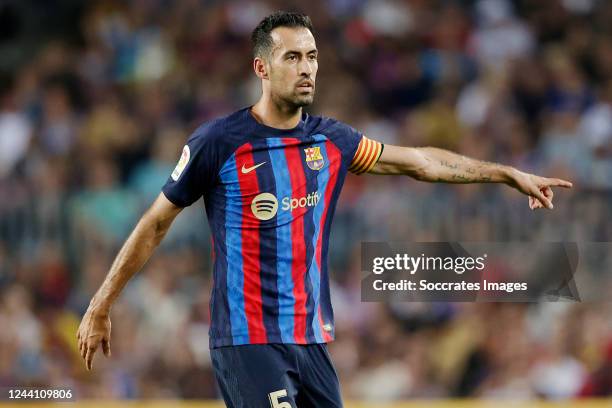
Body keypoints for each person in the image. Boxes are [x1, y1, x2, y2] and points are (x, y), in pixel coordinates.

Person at [77, 11, 572, 407]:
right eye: (292, 57)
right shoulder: (218, 143)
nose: (307, 68)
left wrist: (506, 173)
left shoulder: (332, 140)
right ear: (262, 68)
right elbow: (155, 222)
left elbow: (421, 162)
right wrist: (101, 304)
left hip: (312, 341)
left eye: (312, 56)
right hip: (249, 341)